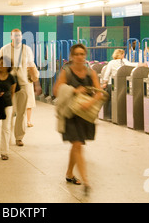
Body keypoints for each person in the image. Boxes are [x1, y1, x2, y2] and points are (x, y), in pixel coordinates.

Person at [53, 43, 104, 195]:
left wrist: (90, 102)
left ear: (85, 56)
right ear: (71, 56)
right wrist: (74, 91)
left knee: (77, 146)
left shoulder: (91, 73)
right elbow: (56, 90)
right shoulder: (66, 72)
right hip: (71, 114)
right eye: (76, 54)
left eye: (82, 54)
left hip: (85, 115)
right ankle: (86, 182)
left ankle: (69, 173)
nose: (79, 57)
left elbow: (99, 93)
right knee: (77, 145)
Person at [0, 28, 39, 147]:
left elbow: (31, 66)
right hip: (8, 85)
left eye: (19, 35)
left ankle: (19, 137)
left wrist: (36, 83)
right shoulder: (4, 49)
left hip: (24, 84)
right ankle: (6, 137)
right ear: (11, 37)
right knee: (9, 111)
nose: (17, 37)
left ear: (21, 36)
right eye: (15, 35)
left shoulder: (27, 49)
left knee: (22, 112)